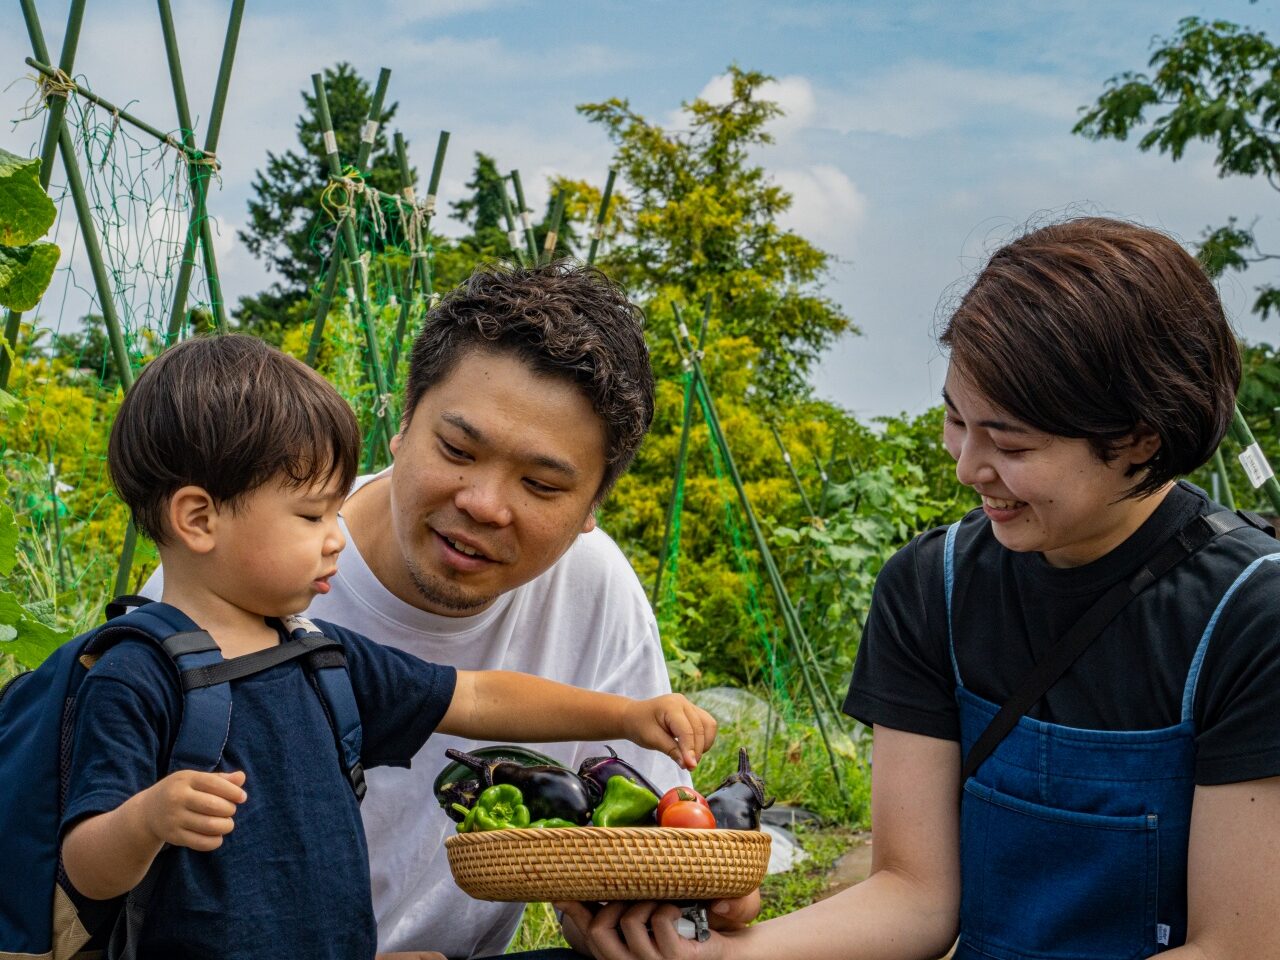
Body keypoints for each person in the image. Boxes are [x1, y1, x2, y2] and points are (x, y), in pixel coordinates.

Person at [561, 218, 1280, 960]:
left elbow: (1238, 946)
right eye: (955, 419)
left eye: (1010, 443)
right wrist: (725, 956)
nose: (969, 467)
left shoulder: (1251, 619)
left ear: (1139, 439)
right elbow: (914, 894)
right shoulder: (932, 587)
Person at [68, 333, 717, 960]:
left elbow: (479, 698)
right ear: (198, 520)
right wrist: (148, 819)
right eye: (311, 516)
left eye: (541, 484)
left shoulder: (323, 656)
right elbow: (83, 868)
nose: (337, 535)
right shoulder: (139, 675)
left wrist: (626, 716)